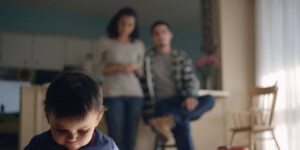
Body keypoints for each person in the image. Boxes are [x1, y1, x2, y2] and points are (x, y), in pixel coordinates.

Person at [141, 21, 215, 150]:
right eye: (157, 34)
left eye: (163, 32)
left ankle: (169, 120)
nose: (160, 36)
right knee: (183, 125)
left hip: (181, 101)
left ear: (170, 35)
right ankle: (172, 119)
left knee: (209, 99)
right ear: (152, 38)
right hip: (160, 104)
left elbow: (192, 80)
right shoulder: (146, 58)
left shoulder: (181, 57)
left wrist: (191, 96)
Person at [92, 7, 144, 150]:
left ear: (134, 26)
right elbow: (95, 68)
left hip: (135, 95)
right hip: (112, 93)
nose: (125, 27)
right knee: (116, 136)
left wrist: (135, 67)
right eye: (123, 23)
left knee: (131, 138)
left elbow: (142, 73)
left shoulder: (139, 45)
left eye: (130, 24)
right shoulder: (105, 42)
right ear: (116, 23)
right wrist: (118, 67)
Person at [24, 72, 119, 150]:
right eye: (62, 131)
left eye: (82, 131)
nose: (72, 138)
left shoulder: (108, 147)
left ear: (97, 119)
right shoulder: (38, 145)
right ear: (48, 117)